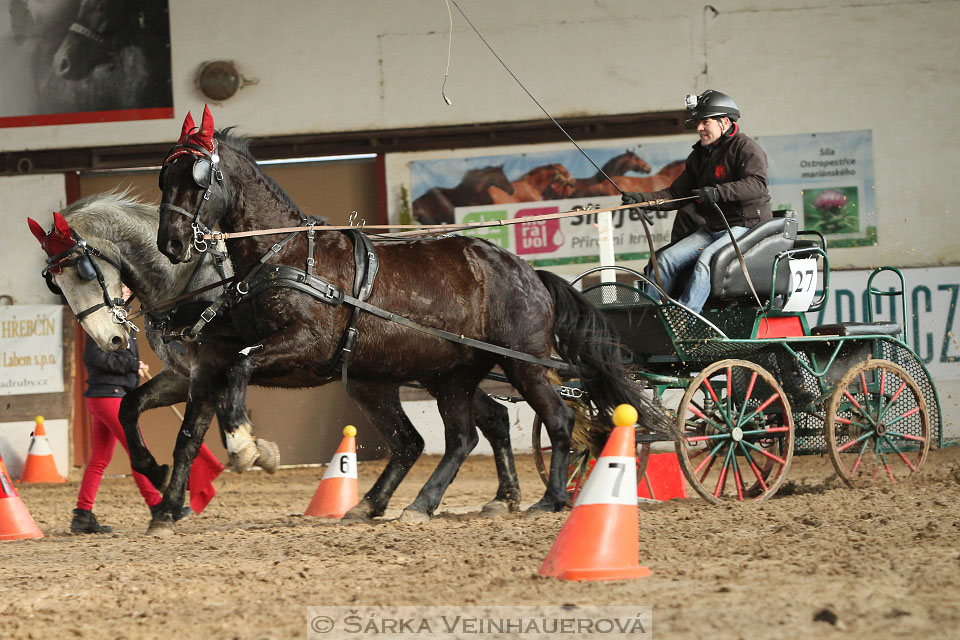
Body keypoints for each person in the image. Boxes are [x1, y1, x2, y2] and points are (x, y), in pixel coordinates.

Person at [623, 90, 771, 314]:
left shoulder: (746, 148)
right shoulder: (699, 156)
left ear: (724, 122)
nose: (699, 128)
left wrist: (720, 192)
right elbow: (677, 193)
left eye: (705, 122)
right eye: (698, 123)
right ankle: (650, 317)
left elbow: (758, 184)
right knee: (664, 260)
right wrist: (642, 200)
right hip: (713, 229)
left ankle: (686, 320)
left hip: (746, 228)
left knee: (707, 260)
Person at [70, 285, 190, 533]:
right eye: (122, 287)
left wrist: (132, 364)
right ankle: (158, 506)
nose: (128, 290)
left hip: (106, 395)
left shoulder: (122, 317)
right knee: (138, 455)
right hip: (110, 395)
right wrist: (132, 364)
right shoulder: (103, 319)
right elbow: (97, 358)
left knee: (99, 460)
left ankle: (82, 515)